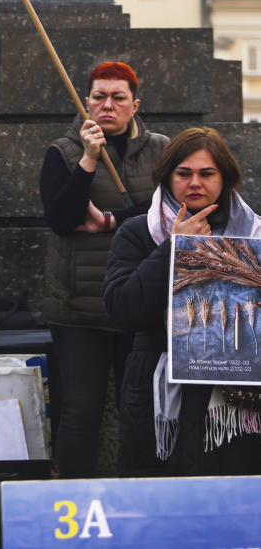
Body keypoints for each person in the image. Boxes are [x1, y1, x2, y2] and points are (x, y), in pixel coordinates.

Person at [104, 128, 261, 476]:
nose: (195, 183)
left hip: (235, 400)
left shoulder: (253, 235)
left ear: (225, 177)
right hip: (156, 391)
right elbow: (122, 309)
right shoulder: (137, 231)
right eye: (184, 173)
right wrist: (173, 248)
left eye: (207, 174)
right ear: (167, 177)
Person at [39, 61, 166, 478]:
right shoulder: (62, 151)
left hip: (140, 303)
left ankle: (139, 501)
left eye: (118, 98)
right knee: (80, 411)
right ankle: (72, 497)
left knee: (142, 410)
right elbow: (61, 218)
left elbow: (170, 213)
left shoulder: (163, 150)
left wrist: (114, 220)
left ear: (135, 105)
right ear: (85, 100)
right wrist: (89, 159)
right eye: (98, 96)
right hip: (79, 309)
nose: (107, 105)